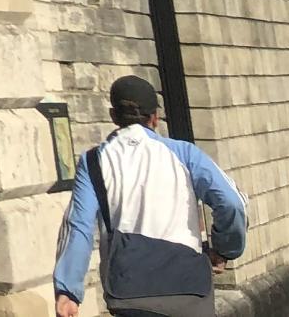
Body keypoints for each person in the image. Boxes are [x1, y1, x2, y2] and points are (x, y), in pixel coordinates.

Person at [55, 75, 247, 317]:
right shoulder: (184, 154)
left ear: (113, 115)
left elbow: (78, 226)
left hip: (130, 291)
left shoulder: (93, 162)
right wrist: (224, 249)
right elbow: (232, 203)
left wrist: (68, 291)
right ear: (155, 118)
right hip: (188, 290)